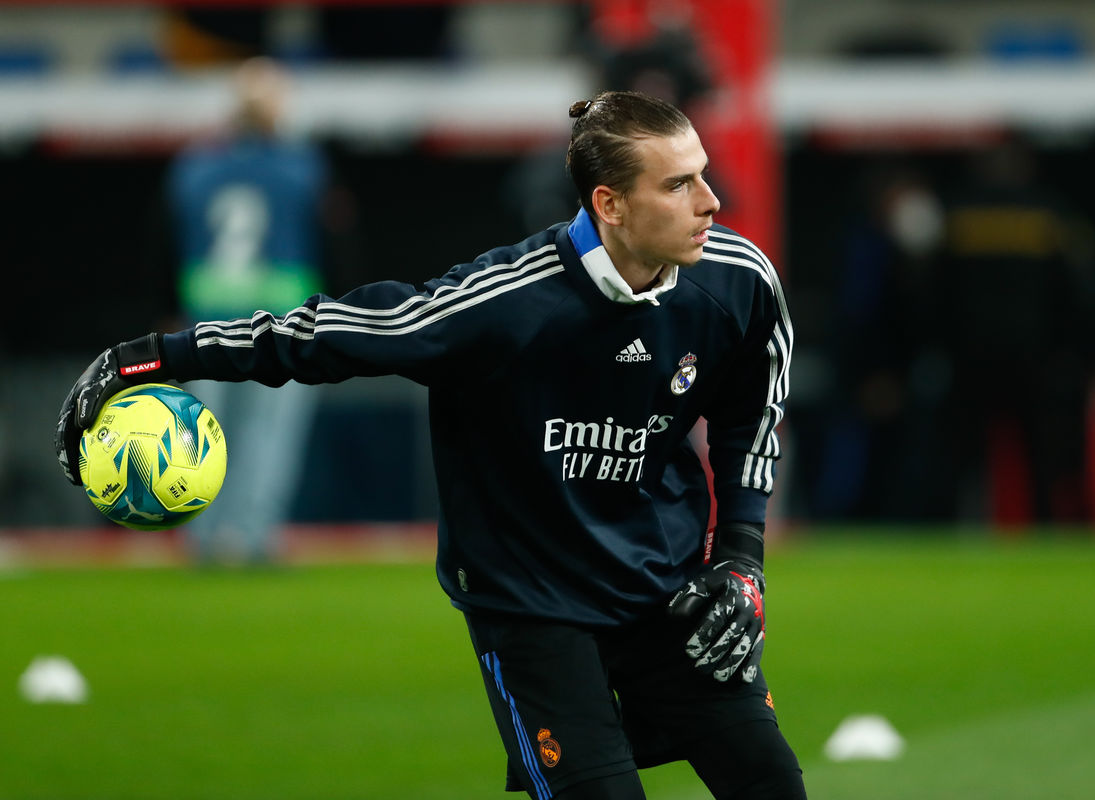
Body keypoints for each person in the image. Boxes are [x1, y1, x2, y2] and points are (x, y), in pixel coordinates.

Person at [56, 91, 803, 799]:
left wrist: (741, 559)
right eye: (678, 184)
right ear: (609, 204)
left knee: (771, 781)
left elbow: (751, 414)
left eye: (702, 174)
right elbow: (321, 337)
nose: (711, 201)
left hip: (666, 589)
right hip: (533, 605)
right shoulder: (502, 303)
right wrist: (151, 357)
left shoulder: (738, 282)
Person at [166, 57, 328, 563]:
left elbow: (165, 242)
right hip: (282, 319)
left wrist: (167, 309)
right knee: (269, 435)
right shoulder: (302, 166)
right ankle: (254, 535)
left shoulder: (194, 166)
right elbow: (331, 240)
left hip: (208, 315)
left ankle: (201, 536)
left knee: (200, 431)